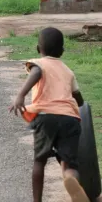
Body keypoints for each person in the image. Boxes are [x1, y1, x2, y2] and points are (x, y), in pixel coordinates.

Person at [9, 27, 89, 202]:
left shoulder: (39, 63)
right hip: (70, 118)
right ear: (62, 51)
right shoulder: (68, 71)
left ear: (39, 49)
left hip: (46, 116)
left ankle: (37, 200)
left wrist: (21, 95)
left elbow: (37, 72)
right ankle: (70, 178)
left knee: (40, 160)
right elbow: (79, 100)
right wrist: (79, 103)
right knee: (69, 163)